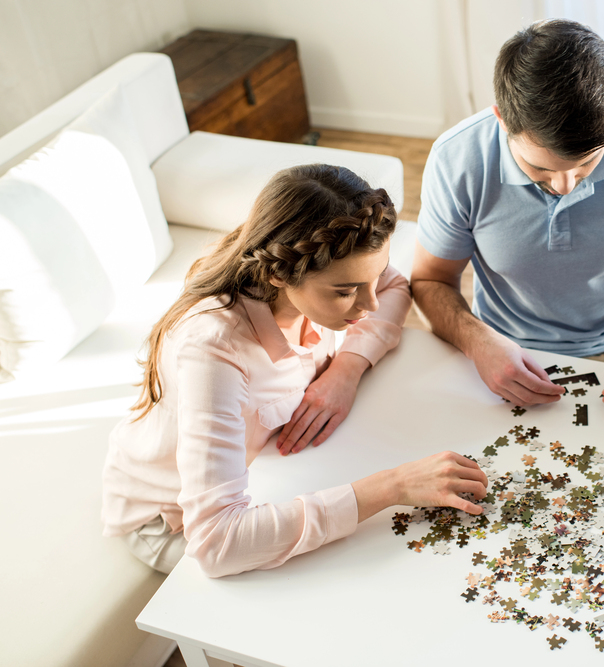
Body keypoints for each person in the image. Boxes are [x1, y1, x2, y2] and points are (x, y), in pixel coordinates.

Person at [102, 165, 488, 578]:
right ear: (278, 274)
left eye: (372, 278)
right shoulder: (214, 349)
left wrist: (346, 368)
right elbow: (217, 543)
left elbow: (394, 288)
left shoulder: (319, 272)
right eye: (345, 291)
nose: (370, 305)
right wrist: (393, 487)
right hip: (172, 522)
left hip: (270, 467)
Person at [411, 19, 604, 408]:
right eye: (542, 169)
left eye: (586, 165)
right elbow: (431, 281)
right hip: (498, 351)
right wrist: (476, 341)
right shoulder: (456, 160)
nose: (566, 185)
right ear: (502, 120)